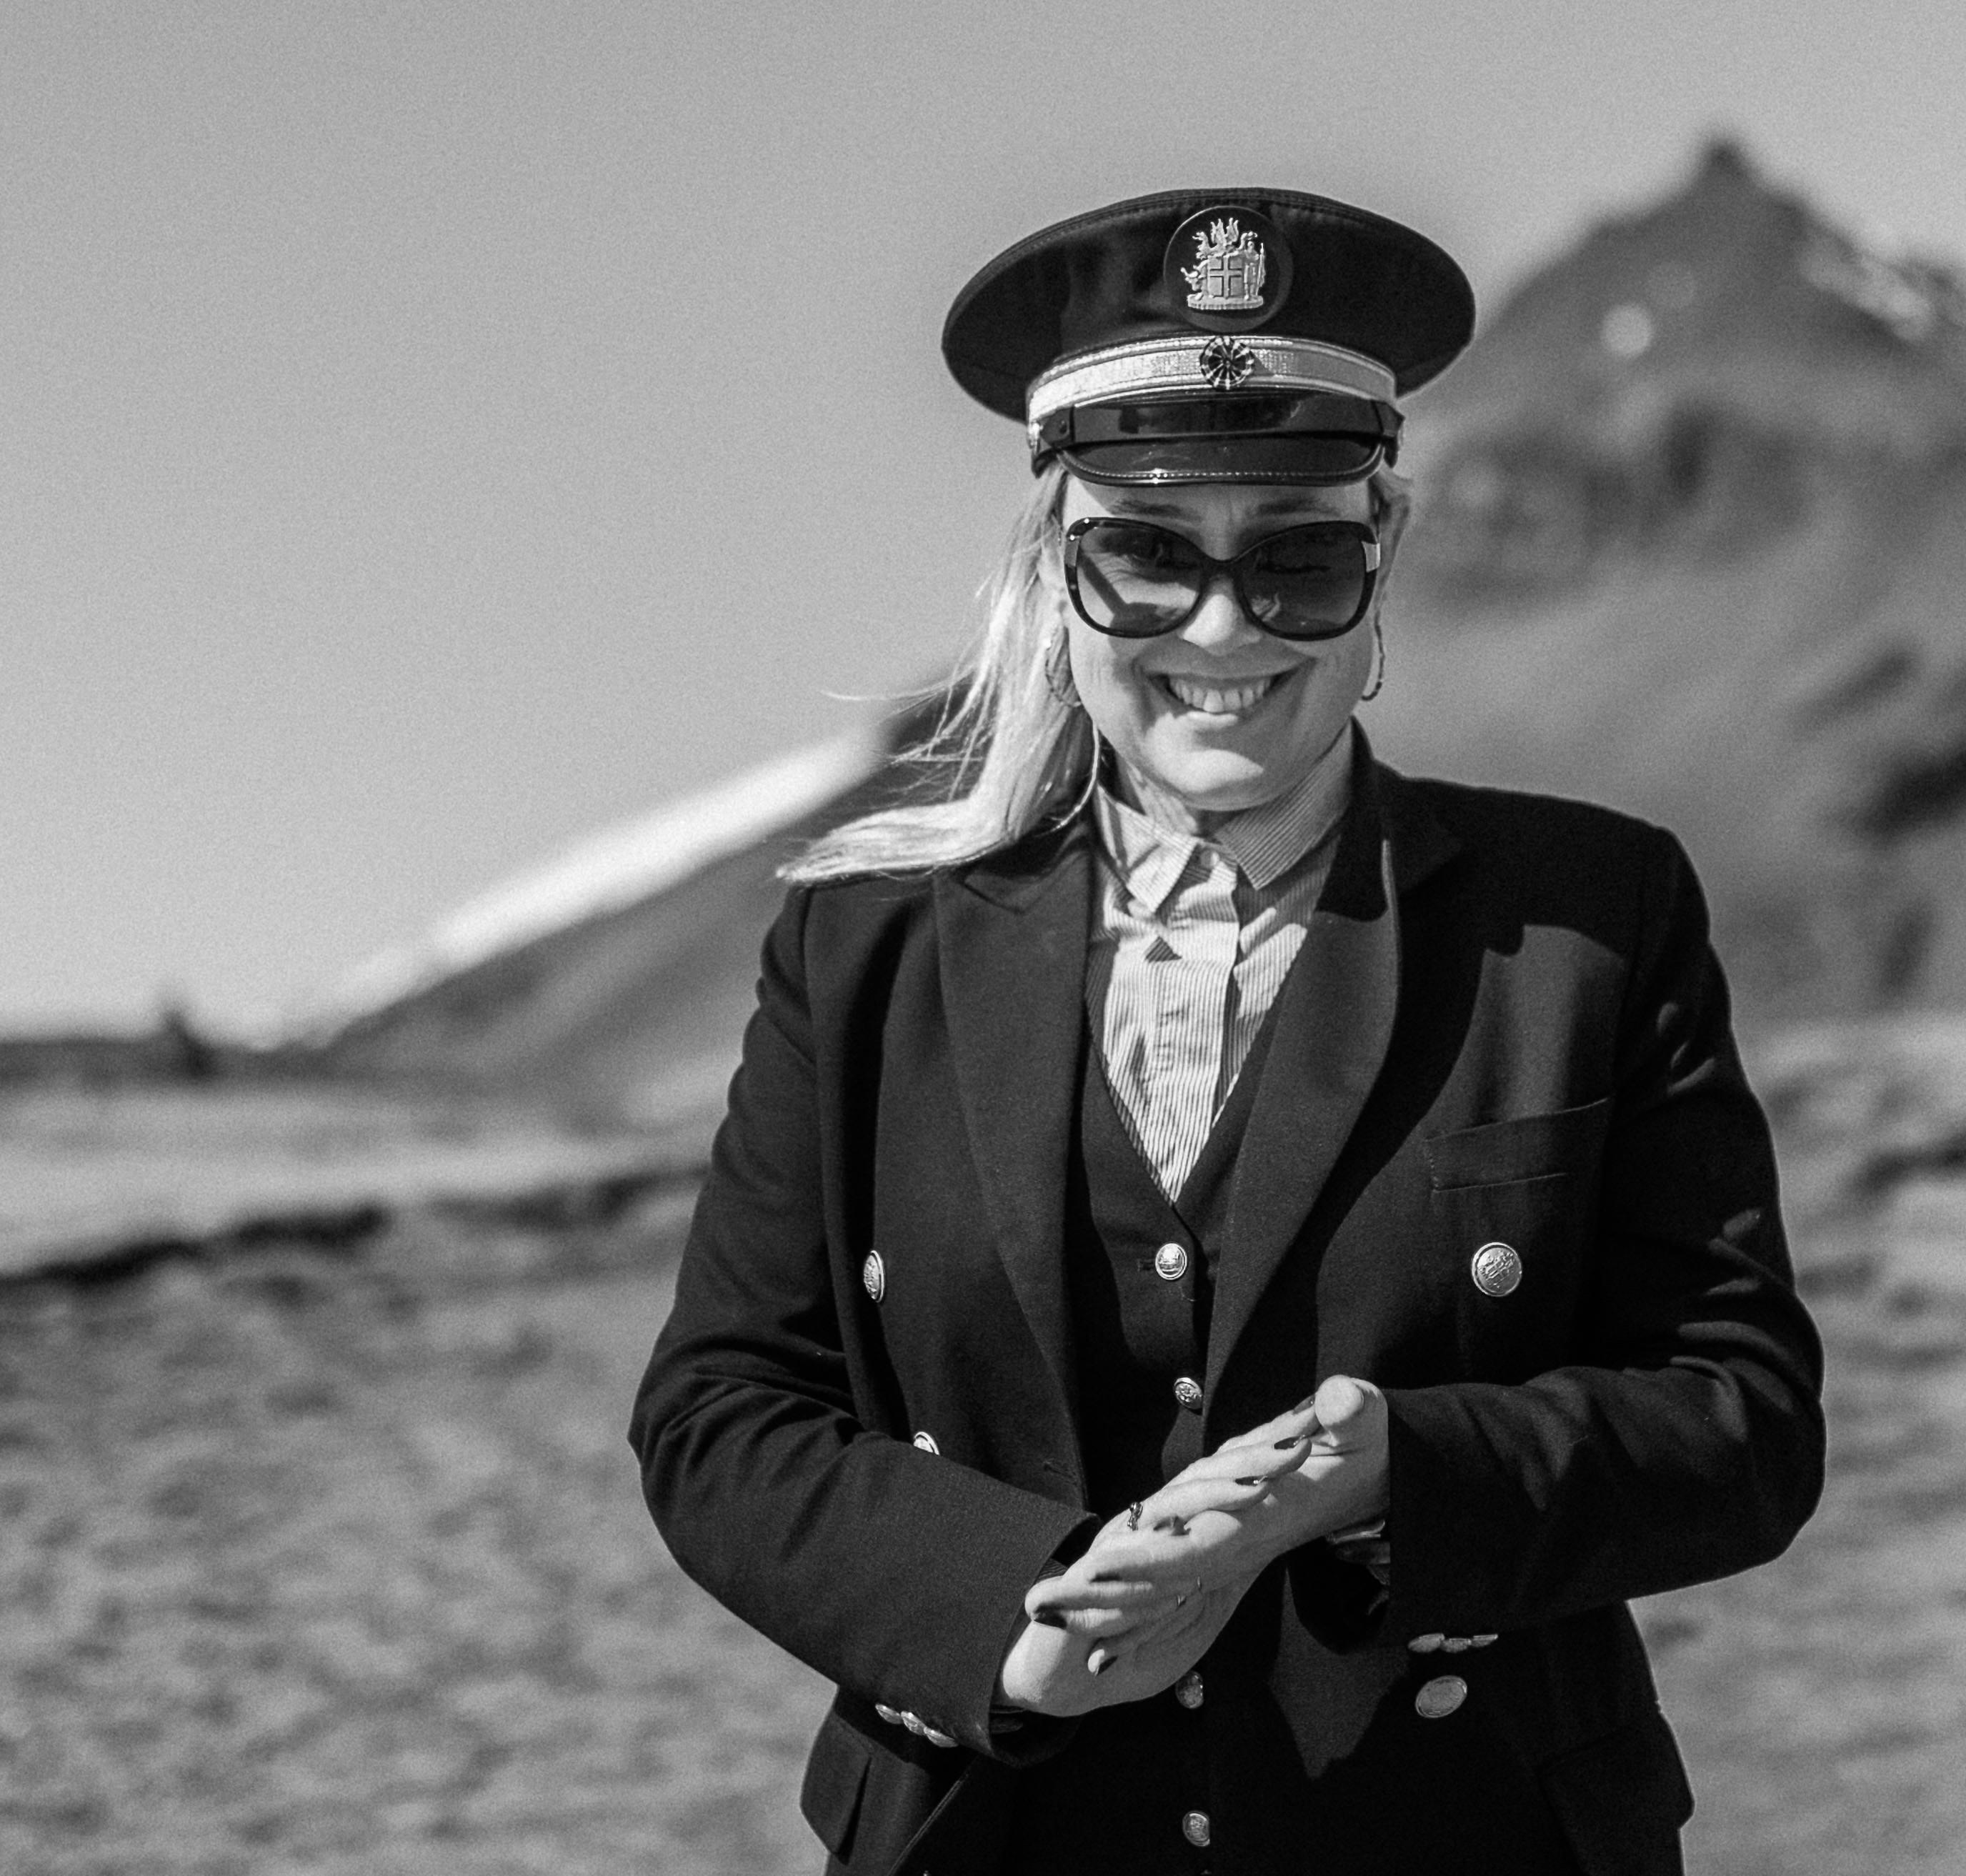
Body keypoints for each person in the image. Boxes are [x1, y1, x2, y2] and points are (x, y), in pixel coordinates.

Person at [630, 186, 1825, 1876]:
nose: (1221, 627)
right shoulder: (860, 950)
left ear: (1381, 556)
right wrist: (1020, 1624)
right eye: (1146, 554)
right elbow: (722, 1411)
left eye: (1296, 555)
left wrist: (1392, 1466)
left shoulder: (1590, 920)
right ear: (1059, 572)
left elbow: (1740, 1414)